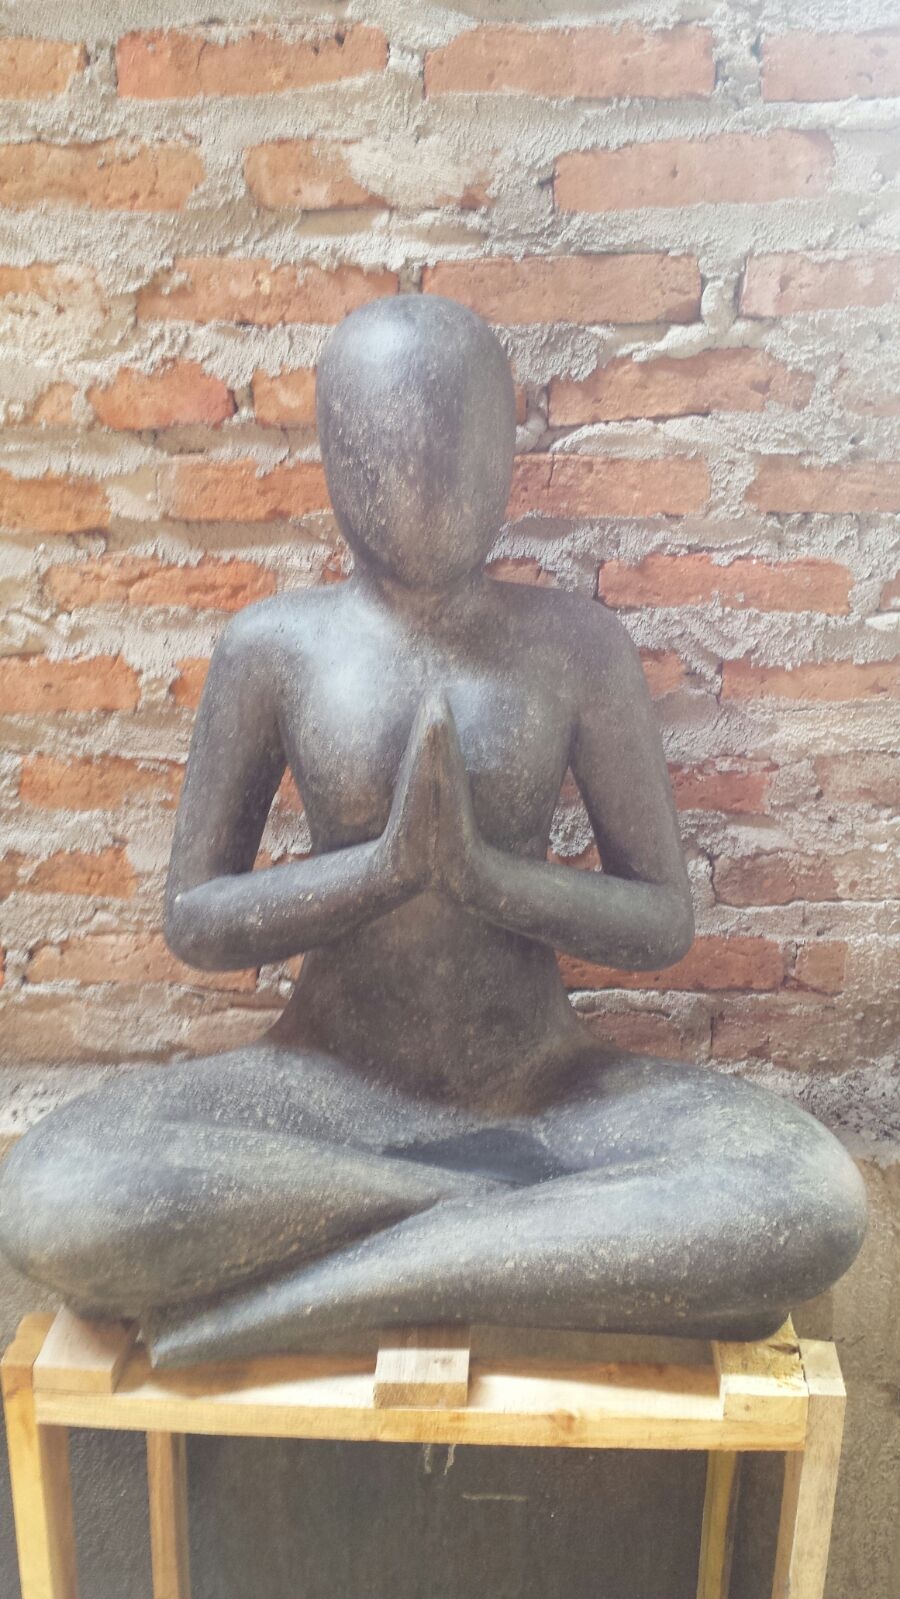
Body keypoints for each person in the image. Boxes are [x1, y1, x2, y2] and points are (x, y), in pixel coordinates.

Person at [0, 295, 866, 1365]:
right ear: (335, 456)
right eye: (390, 451)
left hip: (539, 1087)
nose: (425, 486)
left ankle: (319, 1287)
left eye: (459, 450)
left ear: (508, 454)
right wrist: (382, 872)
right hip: (323, 1092)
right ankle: (481, 1213)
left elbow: (659, 921)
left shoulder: (575, 644)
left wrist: (485, 877)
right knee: (57, 1197)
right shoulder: (275, 646)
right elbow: (198, 918)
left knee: (810, 1200)